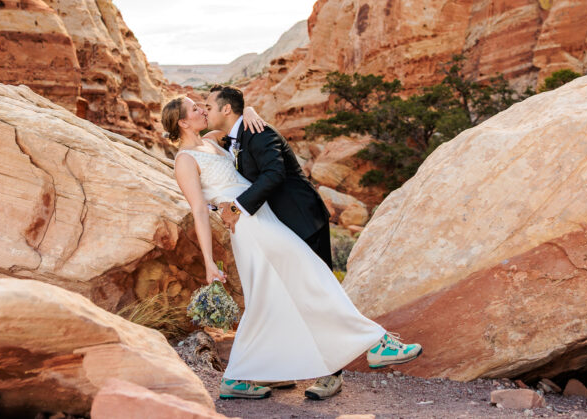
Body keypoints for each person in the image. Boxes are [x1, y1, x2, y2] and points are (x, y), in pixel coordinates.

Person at [162, 95, 422, 402]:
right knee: (312, 276)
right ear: (182, 121)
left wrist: (251, 110)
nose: (202, 110)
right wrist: (208, 261)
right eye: (195, 109)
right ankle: (377, 343)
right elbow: (200, 211)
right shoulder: (184, 160)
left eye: (203, 105)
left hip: (263, 216)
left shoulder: (210, 141)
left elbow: (236, 122)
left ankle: (237, 378)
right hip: (250, 228)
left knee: (265, 300)